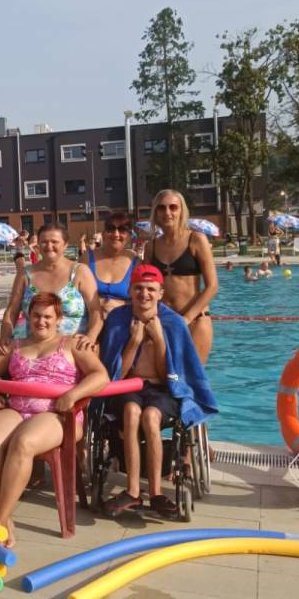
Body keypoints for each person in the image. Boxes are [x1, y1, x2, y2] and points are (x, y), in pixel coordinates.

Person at [0, 292, 109, 547]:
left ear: (59, 318)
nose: (41, 321)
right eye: (36, 315)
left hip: (58, 415)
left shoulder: (72, 344)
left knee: (24, 442)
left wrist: (72, 395)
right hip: (17, 408)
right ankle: (5, 517)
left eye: (48, 316)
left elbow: (101, 376)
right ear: (28, 317)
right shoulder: (15, 345)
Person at [99, 265, 218, 516]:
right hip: (127, 387)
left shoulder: (173, 323)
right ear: (130, 291)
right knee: (131, 411)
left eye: (151, 289)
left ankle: (156, 493)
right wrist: (134, 341)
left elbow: (171, 378)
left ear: (161, 293)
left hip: (161, 390)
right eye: (139, 288)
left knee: (151, 416)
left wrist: (160, 340)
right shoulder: (118, 319)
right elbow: (116, 375)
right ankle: (133, 491)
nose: (144, 294)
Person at [0, 223, 102, 352]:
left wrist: (91, 337)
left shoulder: (80, 272)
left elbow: (95, 311)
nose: (49, 246)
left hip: (73, 350)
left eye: (54, 242)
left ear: (65, 245)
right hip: (32, 350)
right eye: (44, 242)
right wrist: (5, 337)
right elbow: (12, 311)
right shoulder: (25, 274)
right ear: (38, 245)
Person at [144, 190, 219, 363]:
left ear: (181, 211)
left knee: (192, 376)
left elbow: (212, 286)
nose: (167, 212)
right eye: (162, 208)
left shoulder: (196, 240)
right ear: (156, 212)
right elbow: (146, 286)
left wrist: (186, 319)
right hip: (164, 321)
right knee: (164, 376)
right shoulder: (151, 246)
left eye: (173, 207)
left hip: (195, 321)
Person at [83, 212, 138, 318]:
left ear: (129, 235)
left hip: (122, 323)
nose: (116, 234)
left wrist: (119, 305)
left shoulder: (136, 263)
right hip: (92, 320)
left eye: (122, 229)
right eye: (111, 229)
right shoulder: (87, 259)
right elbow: (76, 294)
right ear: (103, 234)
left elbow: (142, 299)